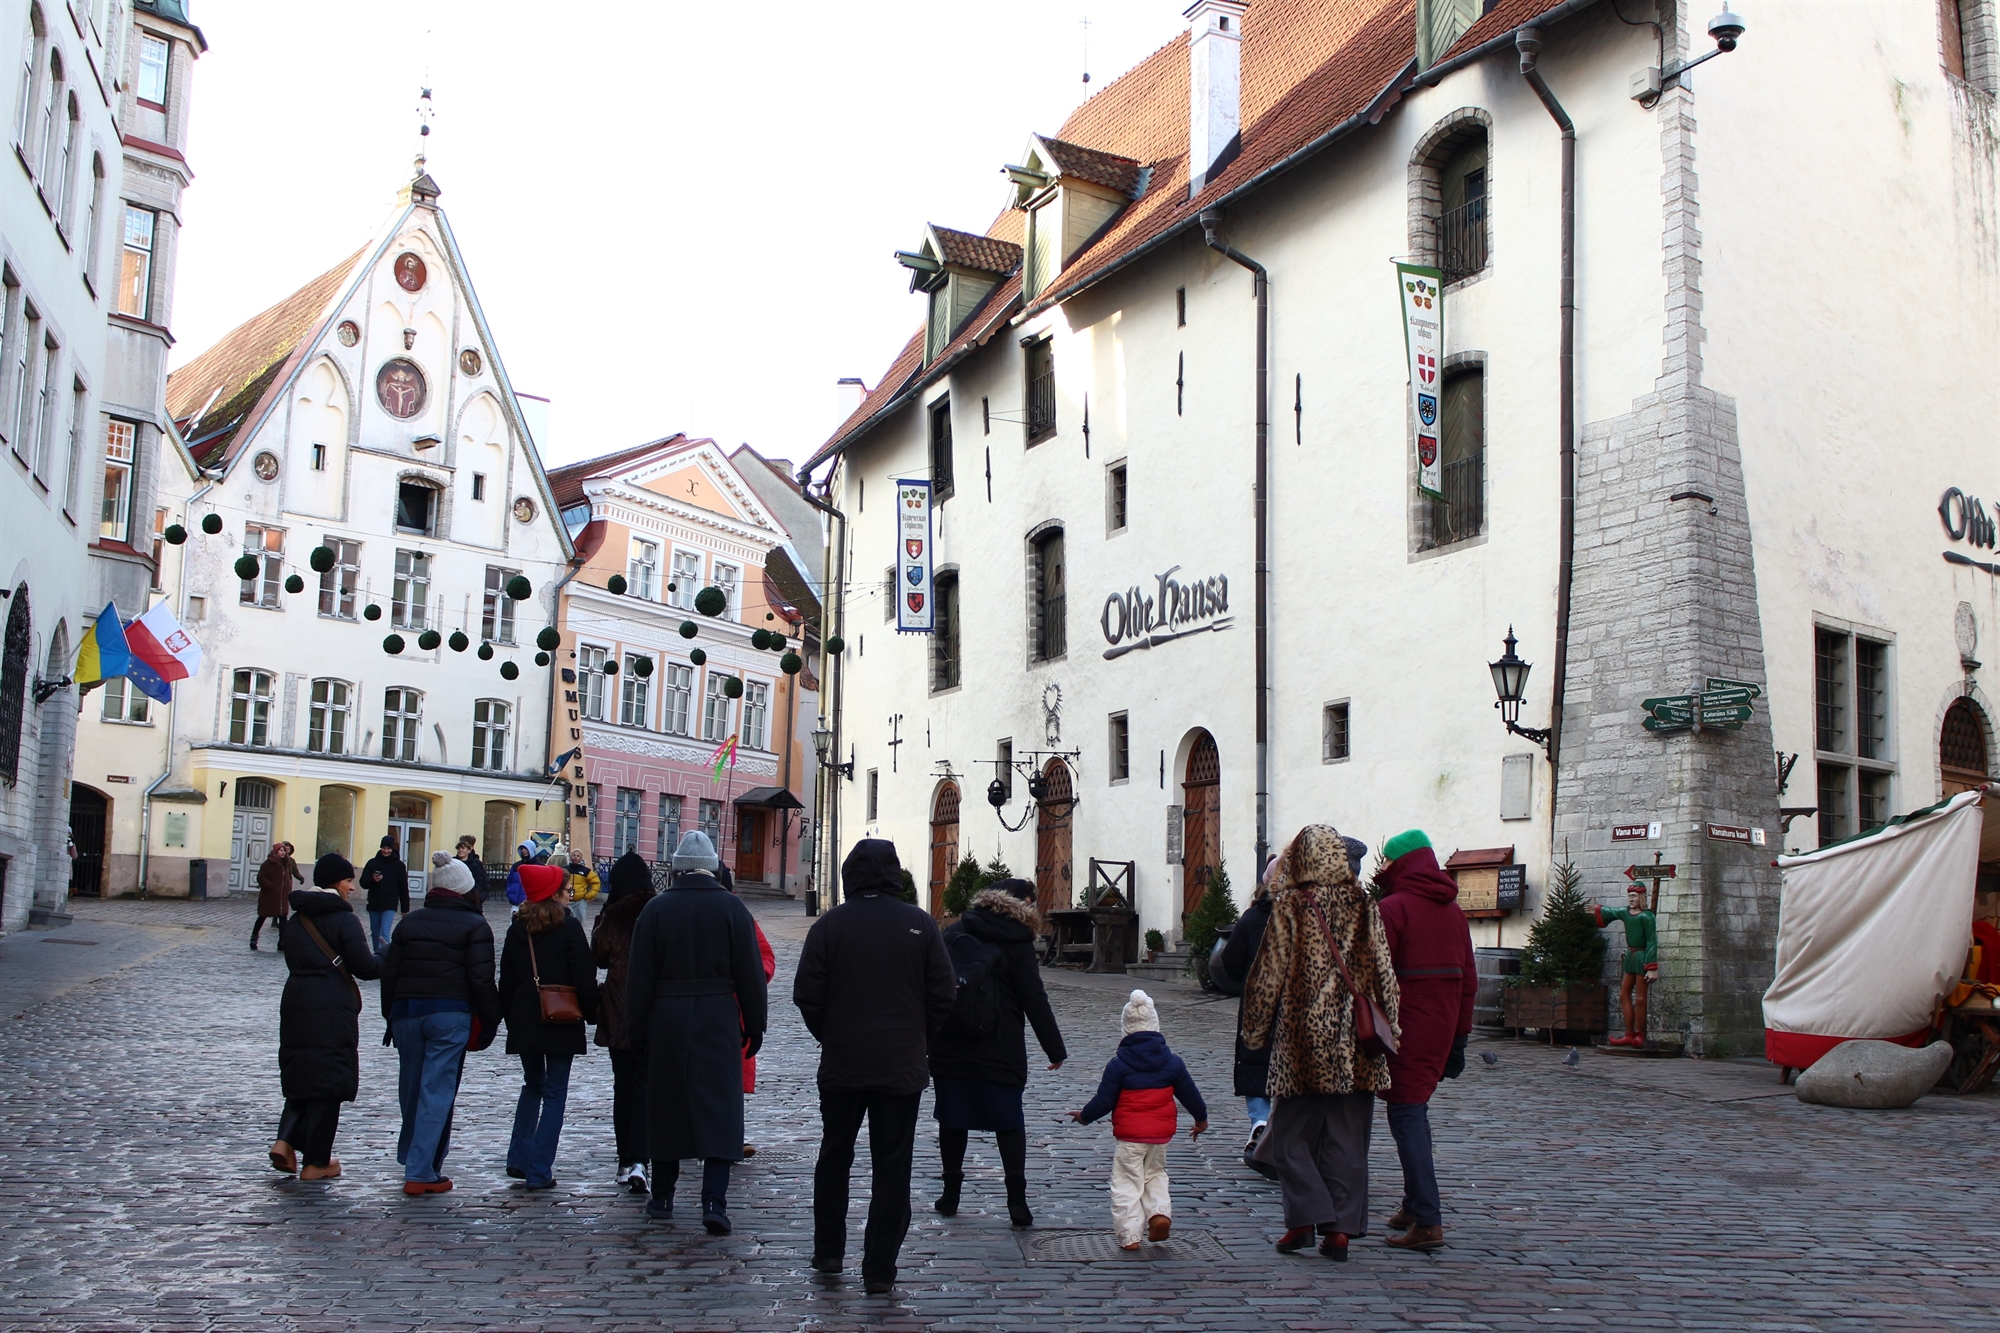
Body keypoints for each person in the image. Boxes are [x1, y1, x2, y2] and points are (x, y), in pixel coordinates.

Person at [794, 839, 955, 1295]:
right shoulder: (920, 925)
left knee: (835, 1156)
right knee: (892, 1165)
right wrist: (918, 1037)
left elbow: (808, 994)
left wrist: (832, 1033)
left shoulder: (830, 926)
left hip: (844, 1062)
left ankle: (829, 1250)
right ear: (894, 875)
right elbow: (944, 995)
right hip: (900, 1066)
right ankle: (880, 1268)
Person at [1240, 824, 1401, 1261]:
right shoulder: (1364, 905)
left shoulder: (1291, 905)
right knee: (1348, 1142)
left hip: (1304, 1045)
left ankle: (1306, 1218)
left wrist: (1255, 1031)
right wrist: (1393, 1030)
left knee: (1289, 1139)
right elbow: (1386, 975)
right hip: (1358, 1045)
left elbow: (1267, 975)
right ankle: (1341, 1231)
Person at [626, 831, 768, 1233]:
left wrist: (636, 1030)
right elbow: (750, 974)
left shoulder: (655, 910)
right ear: (712, 868)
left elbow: (639, 978)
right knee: (720, 1106)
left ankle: (664, 1196)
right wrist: (754, 1024)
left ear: (675, 869)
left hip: (666, 1016)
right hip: (718, 1015)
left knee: (667, 1103)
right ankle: (714, 1201)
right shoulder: (732, 909)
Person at [928, 876, 1066, 1225]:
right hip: (1000, 1042)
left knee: (952, 1119)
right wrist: (1054, 1048)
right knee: (1008, 1121)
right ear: (1022, 903)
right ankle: (1016, 1200)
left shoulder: (956, 931)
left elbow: (932, 985)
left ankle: (950, 1195)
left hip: (951, 1039)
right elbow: (1033, 996)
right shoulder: (1017, 941)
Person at [1372, 829, 1476, 1253]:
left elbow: (1375, 977)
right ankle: (1414, 1204)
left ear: (1401, 863)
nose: (1381, 867)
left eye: (1386, 860)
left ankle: (1428, 1220)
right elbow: (1469, 981)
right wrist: (1461, 1037)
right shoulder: (1454, 913)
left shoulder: (1392, 908)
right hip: (1441, 1026)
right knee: (1414, 1111)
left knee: (1407, 1116)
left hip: (1405, 1028)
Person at [379, 846, 501, 1196]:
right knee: (437, 1091)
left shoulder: (410, 922)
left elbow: (391, 975)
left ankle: (417, 1157)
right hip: (450, 1014)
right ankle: (420, 1169)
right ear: (465, 888)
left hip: (407, 1013)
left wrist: (390, 1015)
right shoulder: (475, 925)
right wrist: (492, 1020)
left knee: (412, 1090)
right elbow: (481, 980)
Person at [269, 853, 380, 1180]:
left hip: (296, 999)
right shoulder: (344, 920)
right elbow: (365, 967)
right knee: (327, 1082)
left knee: (302, 1073)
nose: (351, 887)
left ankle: (285, 1140)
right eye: (348, 881)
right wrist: (389, 956)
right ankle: (316, 1161)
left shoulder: (296, 919)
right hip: (331, 1004)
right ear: (335, 881)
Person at [1069, 989, 1208, 1250]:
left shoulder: (1118, 1065)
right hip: (1160, 1136)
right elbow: (1191, 1095)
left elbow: (1104, 1101)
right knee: (1155, 1174)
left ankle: (1130, 1235)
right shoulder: (1173, 1063)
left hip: (1130, 1137)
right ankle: (1159, 1214)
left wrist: (1084, 1117)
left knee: (1126, 1182)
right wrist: (1201, 1120)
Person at [498, 860, 599, 1190]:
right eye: (566, 890)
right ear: (555, 894)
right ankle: (539, 1168)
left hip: (525, 1020)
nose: (570, 895)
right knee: (555, 1093)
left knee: (532, 1084)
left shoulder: (518, 928)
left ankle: (519, 1157)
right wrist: (593, 1012)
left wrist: (507, 1018)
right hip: (561, 1016)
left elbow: (507, 982)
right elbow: (584, 976)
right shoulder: (569, 929)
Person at [593, 848, 656, 1193]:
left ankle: (624, 1160)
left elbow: (599, 957)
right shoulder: (660, 908)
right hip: (654, 1010)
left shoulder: (613, 914)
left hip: (619, 1010)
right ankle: (640, 1159)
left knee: (623, 1085)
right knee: (646, 1086)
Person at [1219, 856, 1279, 1174]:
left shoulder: (1254, 917)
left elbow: (1229, 961)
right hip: (1297, 1008)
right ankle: (1283, 1126)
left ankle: (1260, 1121)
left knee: (1256, 1062)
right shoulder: (1307, 915)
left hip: (1259, 1004)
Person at [1595, 882, 1659, 1047]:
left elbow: (1652, 941)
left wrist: (1651, 967)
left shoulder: (1647, 917)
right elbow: (1612, 912)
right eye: (1629, 895)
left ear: (1641, 897)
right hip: (1631, 955)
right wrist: (1598, 909)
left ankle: (1640, 1035)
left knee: (1640, 999)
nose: (1631, 899)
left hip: (1642, 956)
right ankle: (1629, 1034)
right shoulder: (1625, 912)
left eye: (1634, 896)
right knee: (1624, 994)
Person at [361, 835, 411, 954]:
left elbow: (403, 887)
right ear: (380, 847)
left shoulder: (398, 865)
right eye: (384, 848)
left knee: (384, 933)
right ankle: (376, 954)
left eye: (388, 848)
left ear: (392, 849)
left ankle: (383, 957)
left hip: (390, 904)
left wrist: (405, 907)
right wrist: (372, 880)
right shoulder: (372, 863)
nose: (386, 851)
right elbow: (363, 883)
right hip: (374, 903)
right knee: (375, 933)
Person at [252, 841, 303, 951]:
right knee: (262, 916)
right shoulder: (268, 863)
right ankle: (254, 937)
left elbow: (291, 875)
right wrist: (271, 886)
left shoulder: (288, 863)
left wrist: (289, 887)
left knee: (283, 918)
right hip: (269, 896)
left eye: (284, 850)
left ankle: (282, 942)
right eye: (281, 850)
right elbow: (261, 877)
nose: (283, 852)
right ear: (275, 851)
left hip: (283, 896)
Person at [456, 836, 487, 906]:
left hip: (472, 900)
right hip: (456, 899)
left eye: (463, 848)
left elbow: (483, 882)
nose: (460, 850)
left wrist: (478, 897)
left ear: (469, 849)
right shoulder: (453, 862)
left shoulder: (476, 864)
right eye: (459, 848)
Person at [506, 841, 536, 908]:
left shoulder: (539, 866)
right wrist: (510, 892)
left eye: (526, 849)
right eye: (522, 849)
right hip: (516, 902)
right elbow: (509, 881)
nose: (523, 851)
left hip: (531, 904)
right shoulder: (516, 866)